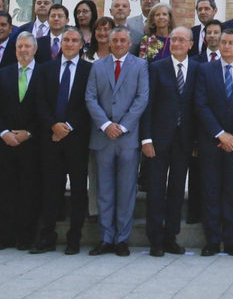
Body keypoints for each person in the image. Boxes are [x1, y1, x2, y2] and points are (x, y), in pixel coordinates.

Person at [195, 27, 233, 256]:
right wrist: (220, 134)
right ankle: (212, 240)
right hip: (211, 141)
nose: (227, 46)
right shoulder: (205, 70)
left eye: (232, 43)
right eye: (223, 42)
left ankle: (232, 241)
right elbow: (200, 105)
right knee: (210, 191)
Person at [87, 25, 148, 256]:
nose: (119, 44)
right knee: (104, 190)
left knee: (126, 191)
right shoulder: (97, 66)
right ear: (109, 42)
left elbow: (142, 98)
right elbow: (90, 98)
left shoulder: (140, 66)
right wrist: (106, 125)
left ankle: (122, 239)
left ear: (129, 42)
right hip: (103, 137)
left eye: (123, 40)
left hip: (127, 138)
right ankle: (105, 238)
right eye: (115, 40)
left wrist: (122, 126)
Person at [36, 27, 93, 255]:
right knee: (50, 188)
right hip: (51, 138)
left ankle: (74, 238)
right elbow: (40, 101)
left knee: (78, 190)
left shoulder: (90, 70)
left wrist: (68, 126)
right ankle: (47, 236)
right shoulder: (46, 69)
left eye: (74, 41)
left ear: (81, 45)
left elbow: (89, 103)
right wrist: (54, 125)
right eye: (66, 40)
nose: (69, 44)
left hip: (77, 139)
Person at [143, 26, 199, 256]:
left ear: (190, 44)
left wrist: (195, 141)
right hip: (158, 139)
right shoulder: (157, 68)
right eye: (174, 39)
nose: (176, 43)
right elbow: (148, 106)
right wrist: (146, 139)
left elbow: (198, 107)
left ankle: (171, 236)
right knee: (156, 188)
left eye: (182, 40)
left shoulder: (198, 69)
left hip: (184, 140)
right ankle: (155, 238)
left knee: (177, 188)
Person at [0, 33, 41, 251]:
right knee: (5, 190)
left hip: (31, 143)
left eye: (28, 46)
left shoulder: (44, 73)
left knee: (28, 191)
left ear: (35, 49)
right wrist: (3, 132)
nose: (23, 50)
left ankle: (25, 238)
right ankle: (4, 237)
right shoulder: (4, 73)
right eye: (20, 46)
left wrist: (29, 133)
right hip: (5, 142)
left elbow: (45, 108)